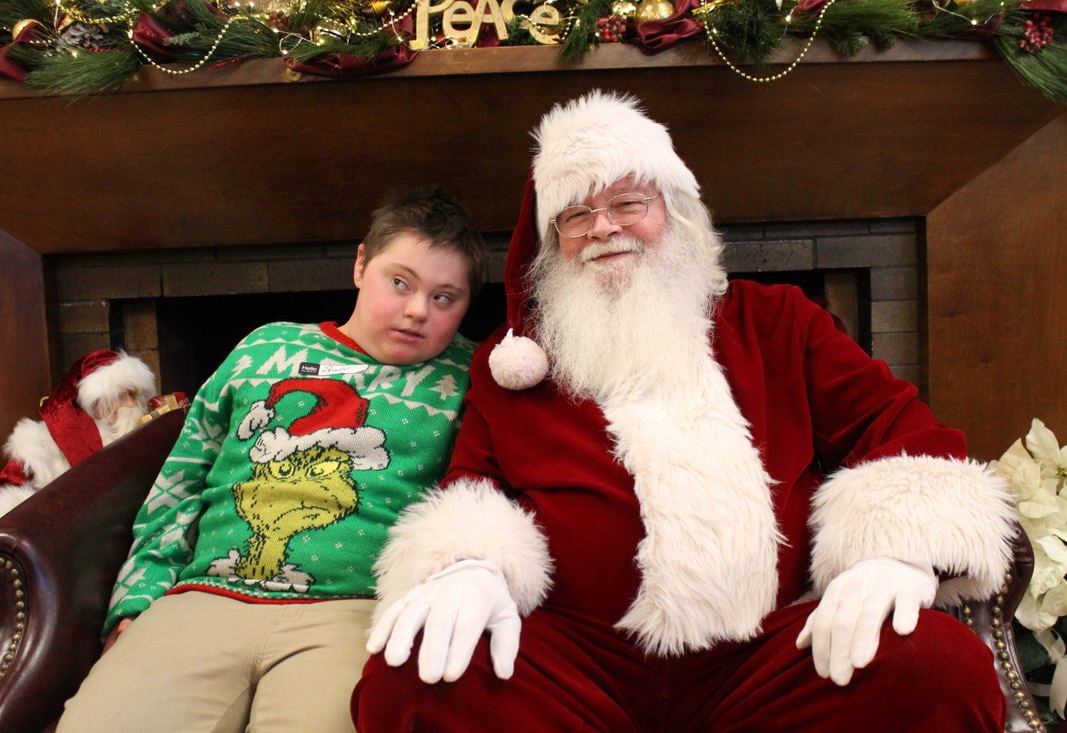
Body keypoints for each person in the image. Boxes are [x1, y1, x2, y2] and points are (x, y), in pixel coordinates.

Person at [352, 91, 1016, 732]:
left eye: (627, 202)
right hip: (577, 665)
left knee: (937, 665)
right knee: (411, 676)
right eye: (576, 215)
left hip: (766, 655)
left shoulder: (778, 321)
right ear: (554, 242)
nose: (603, 227)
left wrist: (890, 554)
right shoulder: (514, 362)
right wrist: (471, 565)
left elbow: (896, 424)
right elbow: (473, 484)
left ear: (673, 210)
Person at [56, 187, 487, 733]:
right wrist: (138, 596)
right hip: (205, 597)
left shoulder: (472, 377)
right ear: (361, 265)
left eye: (445, 297)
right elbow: (181, 481)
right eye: (399, 282)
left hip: (355, 610)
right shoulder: (264, 347)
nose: (417, 310)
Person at [0, 349, 157, 534]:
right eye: (121, 396)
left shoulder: (139, 436)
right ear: (95, 402)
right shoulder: (41, 447)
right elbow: (1, 507)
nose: (132, 405)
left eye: (134, 395)